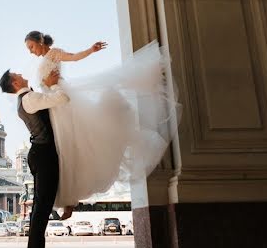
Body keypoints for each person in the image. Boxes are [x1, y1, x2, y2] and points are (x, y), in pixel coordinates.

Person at [24, 30, 177, 222]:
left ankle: (69, 201)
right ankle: (68, 200)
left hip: (62, 105)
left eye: (31, 47)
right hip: (54, 104)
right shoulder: (44, 59)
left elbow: (74, 57)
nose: (30, 52)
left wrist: (90, 50)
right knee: (66, 150)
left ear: (39, 41)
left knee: (68, 148)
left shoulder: (54, 53)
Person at [0, 68, 67, 248]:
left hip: (41, 153)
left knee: (41, 207)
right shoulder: (29, 99)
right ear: (15, 82)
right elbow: (62, 98)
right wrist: (54, 84)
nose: (21, 73)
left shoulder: (27, 98)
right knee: (41, 208)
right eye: (16, 74)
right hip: (44, 154)